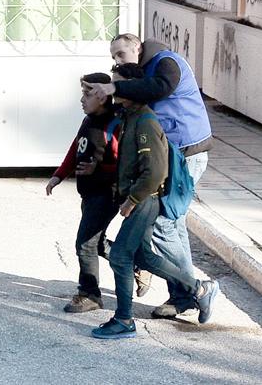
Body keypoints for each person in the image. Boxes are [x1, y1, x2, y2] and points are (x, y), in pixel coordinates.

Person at [84, 34, 212, 319]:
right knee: (173, 225)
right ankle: (186, 294)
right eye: (113, 56)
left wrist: (115, 86)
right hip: (175, 152)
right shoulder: (142, 73)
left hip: (186, 152)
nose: (117, 60)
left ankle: (192, 292)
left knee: (165, 225)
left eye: (120, 54)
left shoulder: (166, 63)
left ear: (137, 48)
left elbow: (159, 88)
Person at [46, 73, 121, 313]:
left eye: (88, 94)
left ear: (102, 96)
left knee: (84, 243)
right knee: (96, 244)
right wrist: (60, 174)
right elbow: (76, 147)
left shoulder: (115, 124)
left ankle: (89, 294)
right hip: (88, 194)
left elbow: (124, 165)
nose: (82, 99)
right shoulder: (88, 120)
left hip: (105, 194)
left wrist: (100, 169)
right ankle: (131, 261)